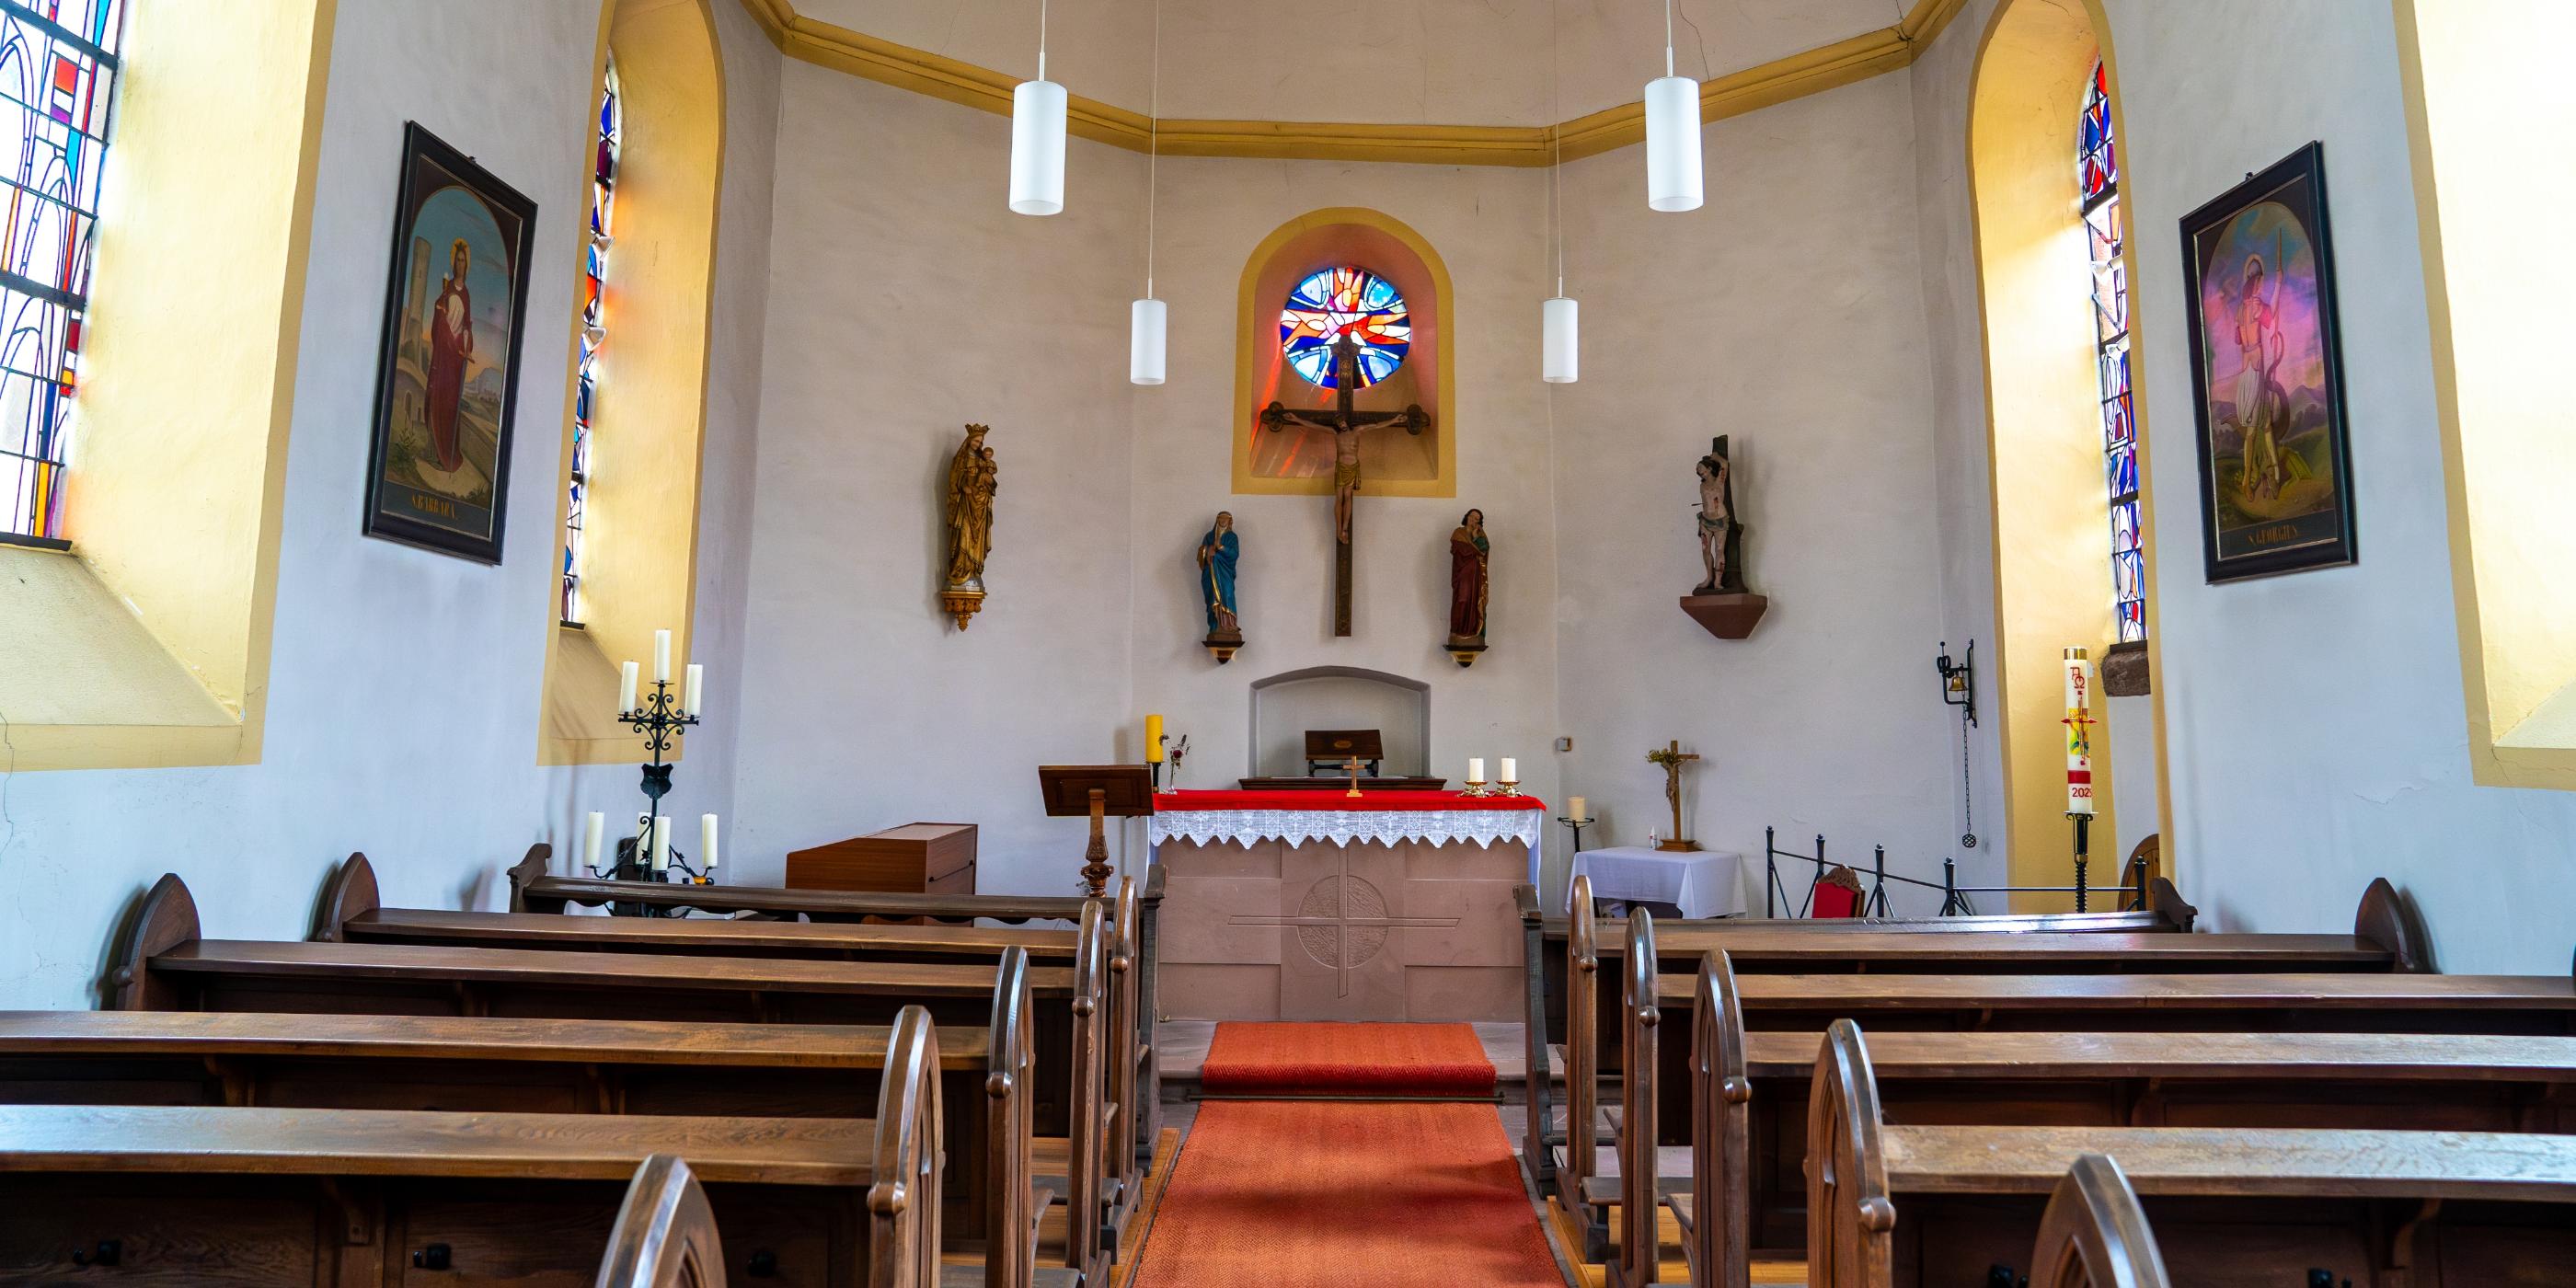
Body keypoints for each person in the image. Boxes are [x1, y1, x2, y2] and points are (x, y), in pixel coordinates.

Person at [425, 238, 475, 473]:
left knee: (451, 405)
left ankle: (449, 453)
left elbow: (467, 325)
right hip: (444, 356)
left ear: (467, 265)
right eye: (458, 260)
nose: (460, 264)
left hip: (455, 361)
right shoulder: (446, 291)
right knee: (438, 399)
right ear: (454, 263)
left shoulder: (466, 295)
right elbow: (439, 320)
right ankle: (436, 451)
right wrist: (441, 318)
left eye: (464, 261)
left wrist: (464, 343)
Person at [1448, 508, 1489, 642]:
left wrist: (1476, 537)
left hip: (1475, 575)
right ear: (1467, 517)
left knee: (1475, 601)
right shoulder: (1458, 532)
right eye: (1472, 516)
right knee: (1462, 599)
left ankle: (1473, 631)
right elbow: (1460, 549)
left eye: (1477, 519)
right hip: (1462, 573)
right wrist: (1473, 549)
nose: (1474, 520)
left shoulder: (1480, 534)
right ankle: (1457, 631)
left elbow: (1484, 550)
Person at [1197, 512, 1240, 636]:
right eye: (1221, 518)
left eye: (1226, 519)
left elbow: (1234, 554)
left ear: (1230, 521)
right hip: (1211, 574)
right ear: (1217, 520)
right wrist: (1207, 550)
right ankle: (1215, 626)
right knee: (1213, 599)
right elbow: (1201, 555)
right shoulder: (1209, 536)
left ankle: (1229, 625)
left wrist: (1221, 547)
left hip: (1225, 572)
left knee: (1227, 594)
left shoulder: (1232, 537)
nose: (1223, 521)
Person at [1696, 451, 1731, 593]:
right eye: (1698, 472)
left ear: (1709, 469)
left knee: (1719, 550)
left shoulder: (1720, 481)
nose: (1700, 473)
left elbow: (1724, 464)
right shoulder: (1702, 486)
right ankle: (1709, 577)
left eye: (1701, 470)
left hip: (1720, 521)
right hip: (1706, 521)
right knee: (1705, 550)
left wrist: (1716, 457)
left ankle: (1718, 581)